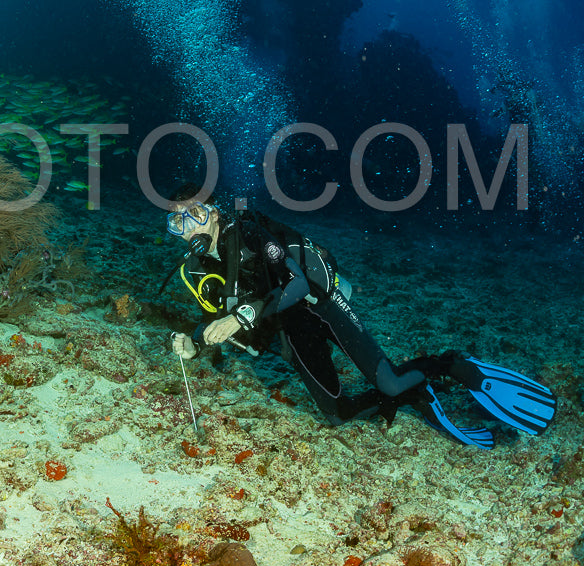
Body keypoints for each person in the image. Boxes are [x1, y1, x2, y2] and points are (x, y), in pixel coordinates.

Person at [163, 186, 557, 449]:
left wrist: (244, 315)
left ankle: (451, 365)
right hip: (291, 328)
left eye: (193, 213)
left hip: (322, 304)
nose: (185, 226)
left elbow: (298, 285)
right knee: (336, 416)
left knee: (389, 380)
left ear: (214, 213)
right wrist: (196, 342)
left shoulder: (251, 233)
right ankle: (415, 395)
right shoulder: (195, 269)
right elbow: (217, 319)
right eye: (175, 219)